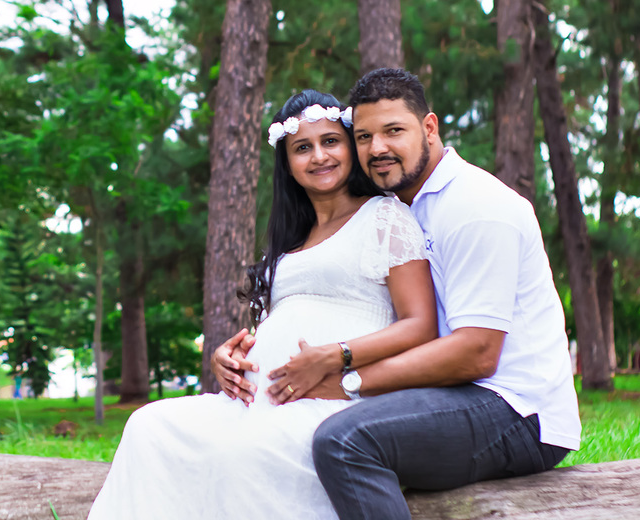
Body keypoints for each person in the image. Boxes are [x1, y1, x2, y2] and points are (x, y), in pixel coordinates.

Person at [87, 89, 438, 520]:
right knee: (148, 426)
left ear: (350, 146)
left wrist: (336, 356)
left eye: (330, 141)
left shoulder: (385, 217)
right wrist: (229, 356)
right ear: (287, 164)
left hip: (335, 398)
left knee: (247, 452)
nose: (319, 156)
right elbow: (279, 323)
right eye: (302, 148)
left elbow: (421, 325)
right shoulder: (292, 240)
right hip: (258, 399)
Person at [302, 68, 581, 520]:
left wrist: (350, 383)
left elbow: (477, 353)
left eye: (394, 131)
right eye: (365, 136)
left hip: (518, 410)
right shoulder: (396, 210)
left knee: (345, 440)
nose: (378, 149)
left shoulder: (476, 206)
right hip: (455, 394)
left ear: (429, 128)